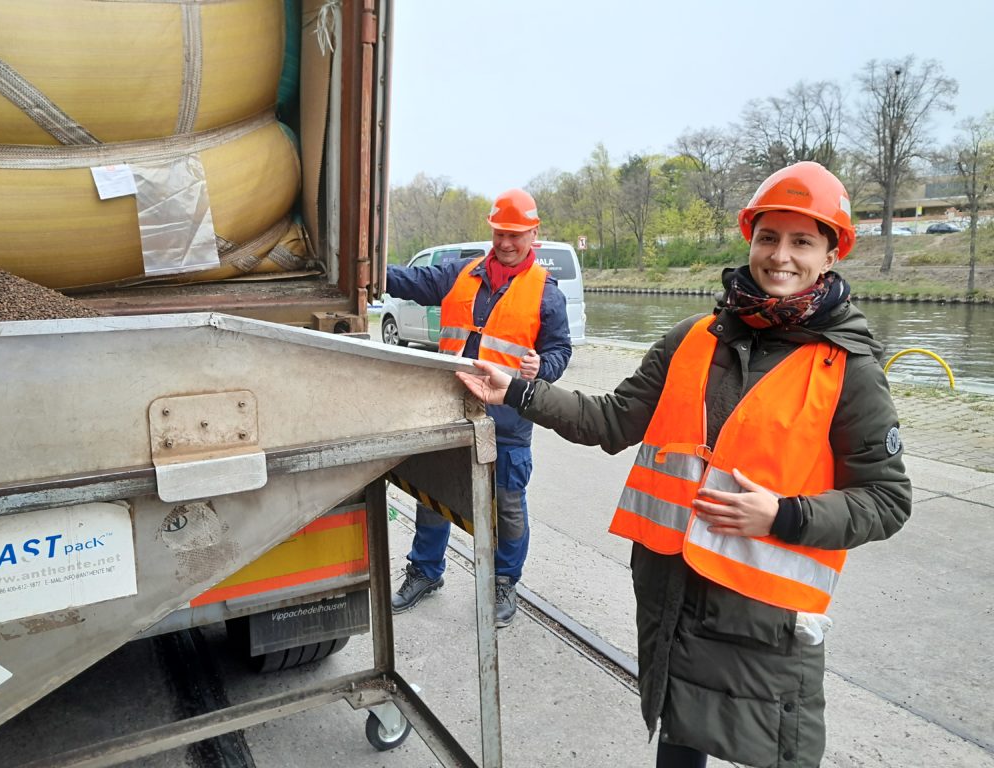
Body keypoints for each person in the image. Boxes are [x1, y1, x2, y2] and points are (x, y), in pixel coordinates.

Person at [456, 163, 911, 766]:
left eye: (803, 241)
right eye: (768, 237)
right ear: (750, 240)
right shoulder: (691, 338)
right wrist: (516, 389)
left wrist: (784, 514)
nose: (780, 256)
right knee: (678, 747)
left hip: (762, 615)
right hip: (672, 595)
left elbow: (886, 500)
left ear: (831, 254)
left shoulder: (849, 368)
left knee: (777, 753)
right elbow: (612, 419)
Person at [387, 188, 572, 627]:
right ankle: (426, 572)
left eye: (515, 235)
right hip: (450, 409)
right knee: (433, 496)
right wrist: (365, 268)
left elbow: (560, 351)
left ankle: (504, 582)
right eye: (499, 234)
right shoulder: (460, 273)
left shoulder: (547, 293)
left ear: (533, 234)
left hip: (508, 420)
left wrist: (542, 365)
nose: (506, 243)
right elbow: (409, 282)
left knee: (507, 505)